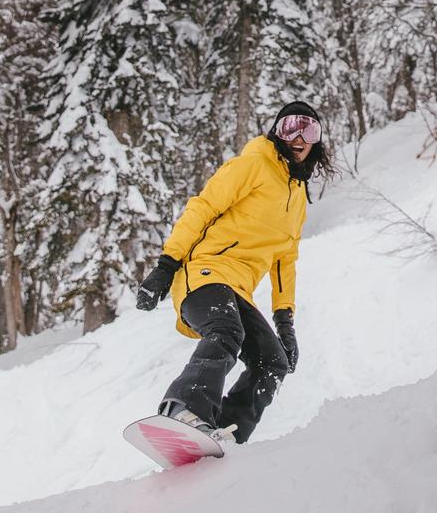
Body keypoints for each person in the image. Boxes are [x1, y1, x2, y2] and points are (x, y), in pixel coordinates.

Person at [134, 101, 332, 444]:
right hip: (205, 272)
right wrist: (166, 266)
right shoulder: (253, 164)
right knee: (226, 331)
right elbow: (202, 207)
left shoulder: (298, 196)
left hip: (238, 289)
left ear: (317, 141)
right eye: (291, 127)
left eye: (309, 130)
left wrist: (285, 323)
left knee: (273, 362)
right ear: (277, 132)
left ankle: (225, 435)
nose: (299, 137)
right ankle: (183, 409)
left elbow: (284, 260)